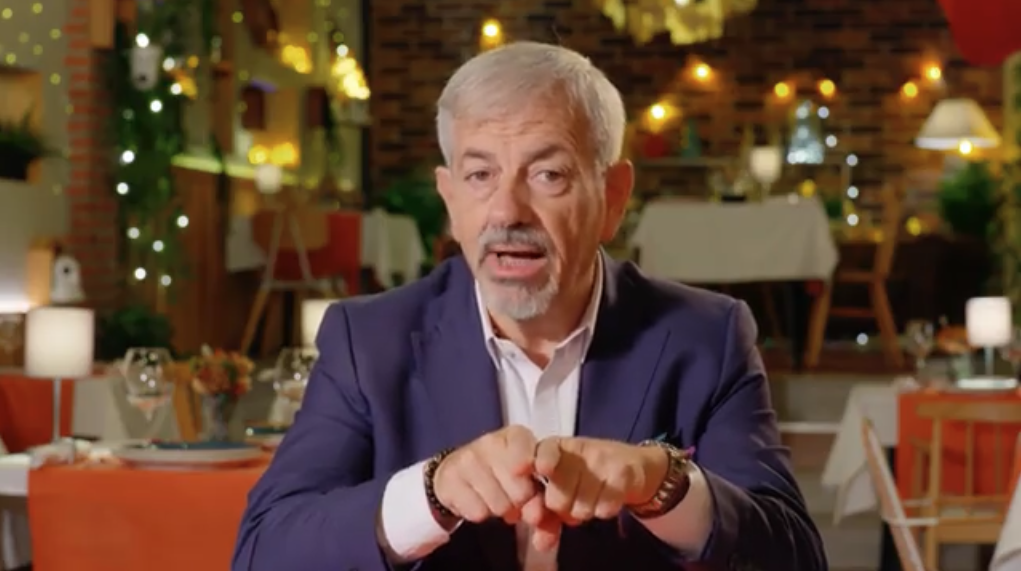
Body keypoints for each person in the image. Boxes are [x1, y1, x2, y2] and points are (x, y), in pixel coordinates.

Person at [233, 41, 827, 571]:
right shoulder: (368, 340)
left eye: (548, 174)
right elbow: (264, 552)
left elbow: (794, 555)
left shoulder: (707, 337)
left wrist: (664, 485)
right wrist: (430, 494)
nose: (506, 211)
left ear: (613, 197)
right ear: (449, 199)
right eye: (480, 175)